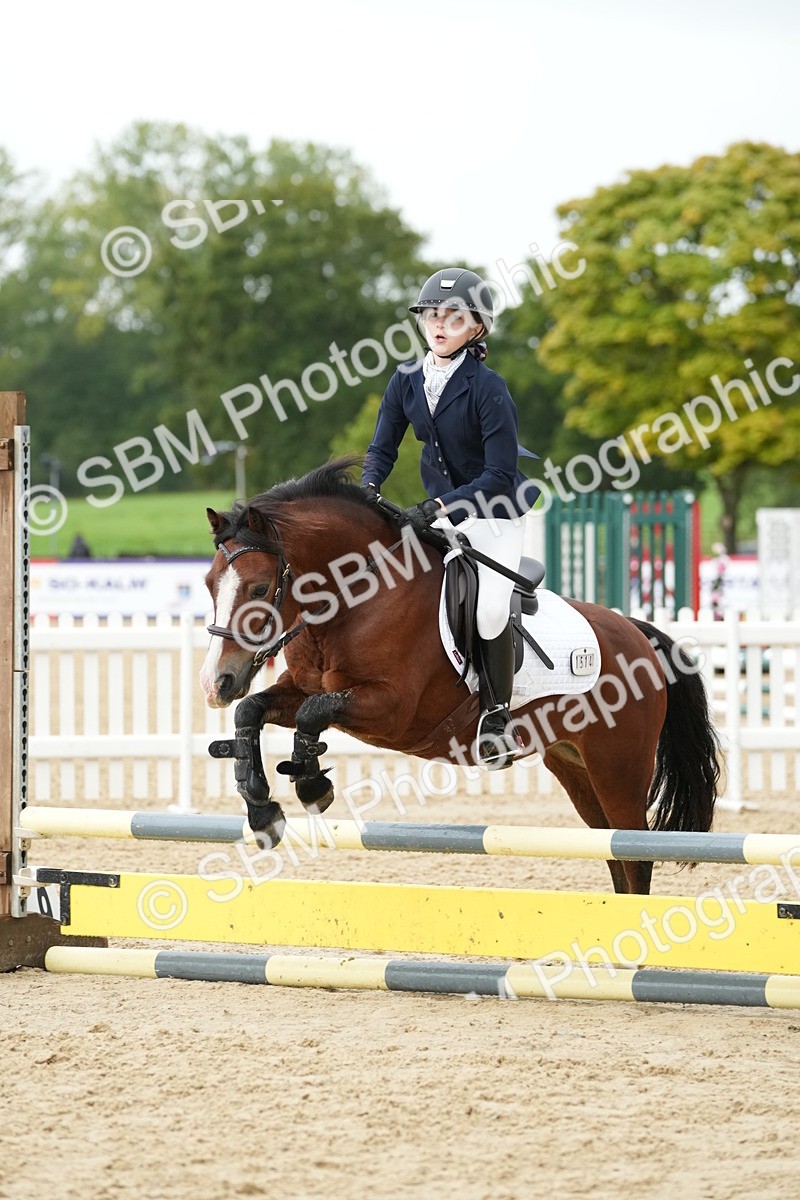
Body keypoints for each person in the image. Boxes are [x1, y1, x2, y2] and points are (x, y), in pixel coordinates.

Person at [361, 267, 539, 767]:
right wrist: (368, 489)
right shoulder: (405, 381)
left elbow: (500, 475)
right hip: (442, 516)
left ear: (475, 327)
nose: (439, 325)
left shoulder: (489, 387)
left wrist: (439, 507)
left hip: (494, 515)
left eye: (453, 317)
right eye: (432, 315)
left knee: (485, 610)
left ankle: (498, 716)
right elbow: (382, 447)